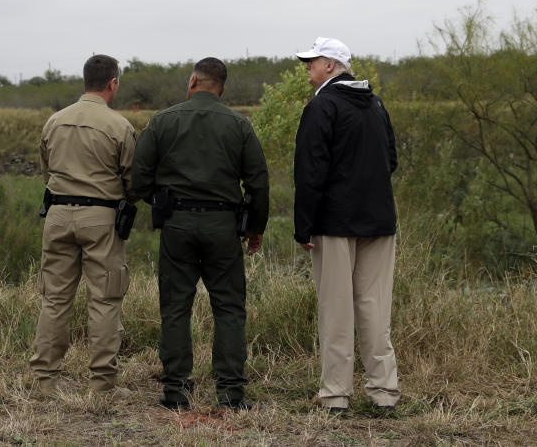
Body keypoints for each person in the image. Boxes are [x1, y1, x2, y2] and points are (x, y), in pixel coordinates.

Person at [130, 57, 270, 411]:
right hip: (223, 226)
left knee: (175, 306)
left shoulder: (163, 121)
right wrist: (255, 228)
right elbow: (258, 182)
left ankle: (176, 390)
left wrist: (162, 203)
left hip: (177, 223)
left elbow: (139, 178)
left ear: (193, 81)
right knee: (229, 307)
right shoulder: (240, 124)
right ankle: (231, 393)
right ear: (222, 88)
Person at [292, 37, 400, 416]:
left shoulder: (322, 106)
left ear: (332, 66)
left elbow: (310, 172)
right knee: (374, 306)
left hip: (335, 224)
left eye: (313, 61)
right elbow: (391, 159)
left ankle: (336, 394)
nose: (307, 66)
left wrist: (303, 226)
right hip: (380, 222)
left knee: (336, 308)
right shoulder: (375, 103)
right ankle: (384, 391)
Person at [30, 54, 137, 396]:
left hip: (57, 215)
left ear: (85, 80)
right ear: (113, 83)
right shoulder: (119, 126)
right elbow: (132, 182)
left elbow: (46, 173)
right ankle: (102, 384)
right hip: (101, 219)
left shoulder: (54, 121)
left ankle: (44, 380)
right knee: (104, 299)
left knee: (54, 299)